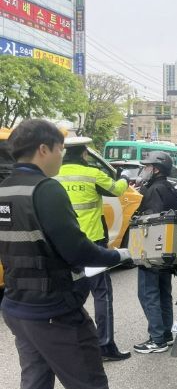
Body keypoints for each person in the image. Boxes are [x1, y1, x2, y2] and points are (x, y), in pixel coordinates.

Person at [0, 119, 148, 389]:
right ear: (44, 149)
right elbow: (77, 250)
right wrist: (120, 254)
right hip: (55, 311)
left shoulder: (4, 188)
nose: (61, 157)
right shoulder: (45, 189)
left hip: (18, 306)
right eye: (60, 150)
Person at [57, 142, 131, 362]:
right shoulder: (92, 174)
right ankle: (105, 345)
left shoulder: (54, 175)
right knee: (101, 293)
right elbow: (117, 190)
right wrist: (125, 177)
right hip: (92, 244)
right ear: (84, 153)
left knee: (69, 294)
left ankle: (70, 345)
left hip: (64, 244)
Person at [133, 151, 177, 354]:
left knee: (148, 293)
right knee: (163, 293)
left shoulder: (153, 190)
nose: (144, 170)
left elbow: (151, 220)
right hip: (167, 250)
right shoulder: (169, 187)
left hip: (152, 250)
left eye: (147, 167)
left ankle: (157, 338)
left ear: (156, 169)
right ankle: (166, 335)